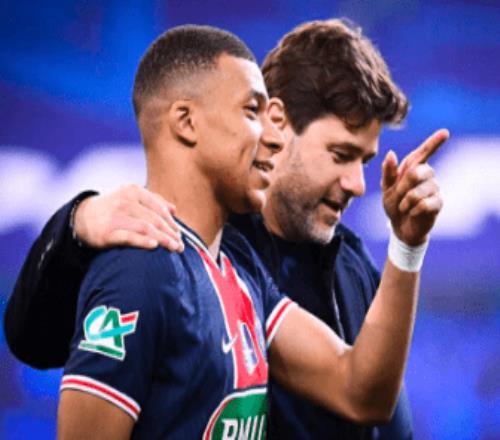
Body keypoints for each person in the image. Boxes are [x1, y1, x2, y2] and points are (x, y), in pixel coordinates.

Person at [4, 21, 448, 439]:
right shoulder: (143, 261)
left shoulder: (247, 268)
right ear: (187, 121)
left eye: (364, 161)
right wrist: (77, 221)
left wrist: (408, 246)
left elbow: (363, 393)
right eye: (252, 111)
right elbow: (32, 339)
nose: (271, 136)